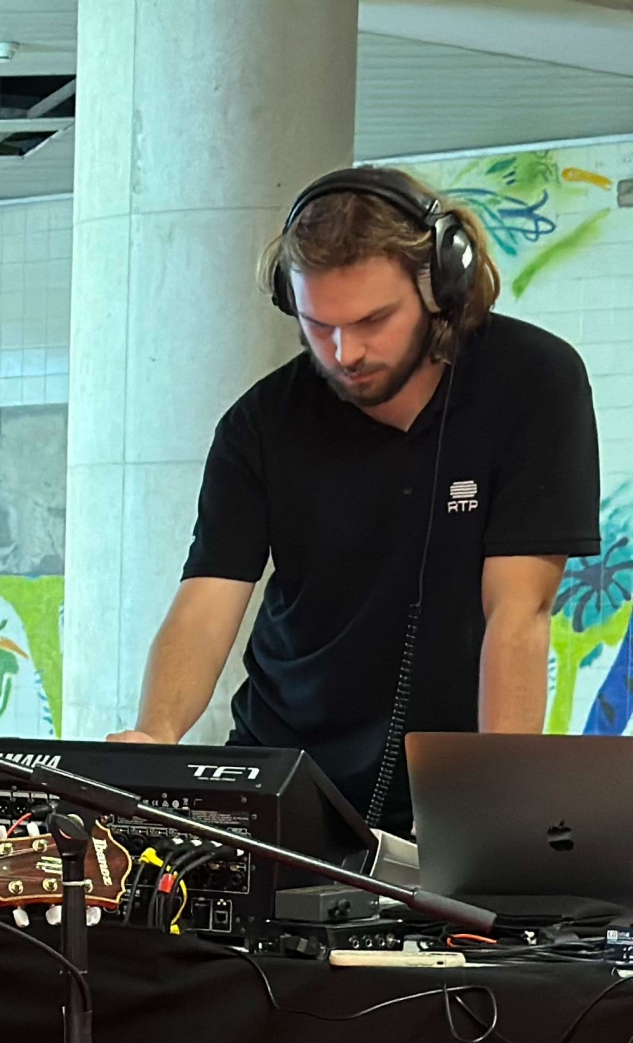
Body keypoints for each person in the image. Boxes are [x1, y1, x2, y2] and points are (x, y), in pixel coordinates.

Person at [112, 167, 600, 832]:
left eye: (374, 320)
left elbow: (518, 612)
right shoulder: (260, 424)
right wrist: (155, 737)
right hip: (281, 769)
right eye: (320, 325)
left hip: (449, 785)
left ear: (440, 287)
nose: (346, 352)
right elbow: (206, 602)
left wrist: (495, 803)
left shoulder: (533, 384)